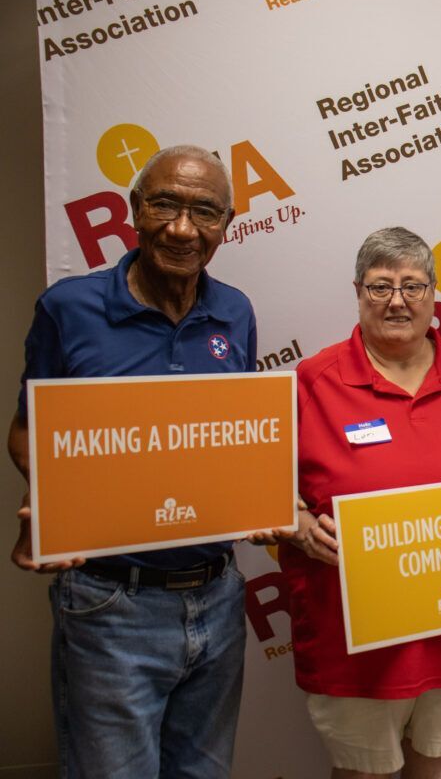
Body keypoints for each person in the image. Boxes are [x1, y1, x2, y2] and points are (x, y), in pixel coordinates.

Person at [8, 144, 271, 778]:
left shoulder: (234, 313)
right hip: (108, 603)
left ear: (226, 228)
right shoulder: (68, 308)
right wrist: (54, 497)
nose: (183, 229)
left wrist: (269, 497)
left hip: (217, 596)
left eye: (204, 213)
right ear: (133, 210)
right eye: (165, 204)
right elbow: (26, 431)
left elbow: (237, 437)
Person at [280, 227, 441, 779]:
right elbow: (261, 490)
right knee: (366, 774)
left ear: (433, 295)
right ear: (358, 293)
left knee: (440, 763)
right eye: (380, 286)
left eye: (412, 287)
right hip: (356, 638)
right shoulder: (312, 381)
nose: (397, 301)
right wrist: (296, 523)